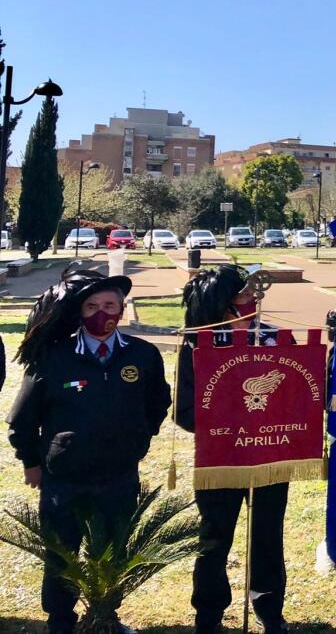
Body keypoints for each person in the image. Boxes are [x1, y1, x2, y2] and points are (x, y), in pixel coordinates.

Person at [8, 269, 171, 634]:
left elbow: (158, 403)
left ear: (123, 308)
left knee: (113, 554)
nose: (102, 313)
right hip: (64, 477)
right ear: (79, 312)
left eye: (110, 305)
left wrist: (138, 440)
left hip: (118, 475)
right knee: (61, 555)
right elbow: (22, 419)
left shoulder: (143, 355)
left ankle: (105, 617)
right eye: (92, 306)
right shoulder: (53, 356)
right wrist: (31, 462)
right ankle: (61, 622)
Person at [177, 264, 291, 634]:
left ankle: (269, 609)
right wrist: (229, 423)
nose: (252, 300)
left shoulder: (275, 338)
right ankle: (208, 614)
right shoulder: (196, 343)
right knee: (214, 537)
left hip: (269, 457)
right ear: (223, 303)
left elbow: (297, 396)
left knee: (268, 536)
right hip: (219, 458)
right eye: (244, 296)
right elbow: (185, 411)